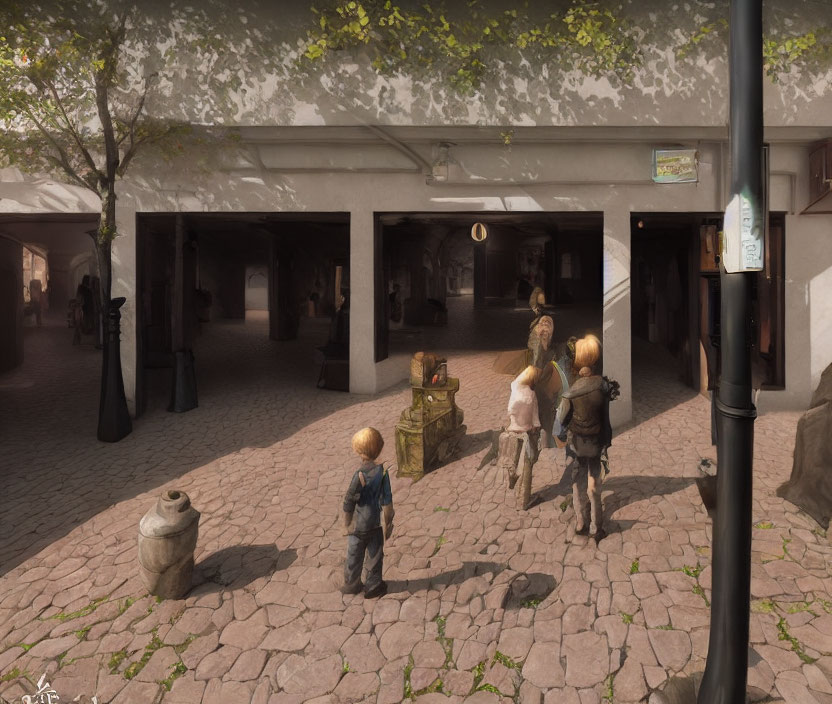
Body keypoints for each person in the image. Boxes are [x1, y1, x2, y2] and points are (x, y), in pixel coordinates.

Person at [555, 334, 616, 541]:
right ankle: (596, 526)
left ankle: (580, 521)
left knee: (577, 479)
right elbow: (606, 413)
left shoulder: (571, 392)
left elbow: (561, 418)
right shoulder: (603, 385)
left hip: (578, 442)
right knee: (594, 480)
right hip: (597, 440)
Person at [341, 427, 394, 598]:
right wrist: (388, 523)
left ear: (359, 451)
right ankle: (373, 585)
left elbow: (349, 502)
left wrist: (346, 524)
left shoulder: (359, 475)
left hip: (358, 526)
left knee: (354, 555)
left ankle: (351, 583)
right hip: (374, 524)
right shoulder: (383, 473)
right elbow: (387, 502)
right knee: (375, 556)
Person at [500, 365, 543, 510]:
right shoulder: (531, 395)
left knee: (513, 460)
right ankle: (524, 501)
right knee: (527, 467)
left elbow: (510, 410)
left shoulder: (515, 389)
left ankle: (512, 477)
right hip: (526, 434)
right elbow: (536, 419)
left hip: (513, 431)